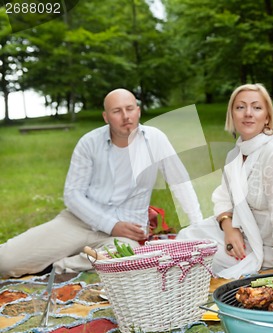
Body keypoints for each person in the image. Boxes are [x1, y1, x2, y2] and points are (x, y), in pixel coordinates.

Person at [0, 88, 203, 278]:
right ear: (106, 117)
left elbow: (180, 183)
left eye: (130, 109)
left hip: (127, 234)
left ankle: (59, 266)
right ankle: (68, 257)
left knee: (130, 255)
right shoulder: (89, 143)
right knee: (5, 261)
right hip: (79, 222)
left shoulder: (156, 140)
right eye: (117, 111)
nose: (126, 116)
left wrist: (197, 227)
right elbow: (73, 195)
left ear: (138, 111)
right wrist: (111, 224)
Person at [177, 83, 273, 279]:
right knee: (184, 239)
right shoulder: (236, 154)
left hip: (272, 249)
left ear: (267, 117)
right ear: (232, 115)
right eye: (240, 107)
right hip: (241, 234)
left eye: (256, 108)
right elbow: (223, 198)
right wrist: (229, 229)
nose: (248, 113)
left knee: (194, 255)